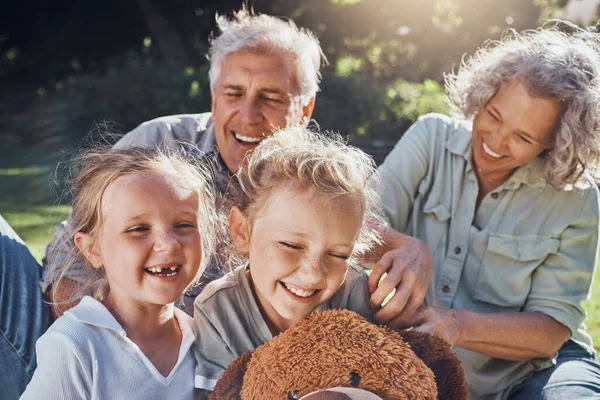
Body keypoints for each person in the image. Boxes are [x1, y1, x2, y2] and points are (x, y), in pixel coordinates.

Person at [1, 8, 431, 399]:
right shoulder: (159, 147)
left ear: (305, 108)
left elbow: (345, 242)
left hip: (202, 368)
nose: (248, 115)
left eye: (272, 98)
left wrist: (408, 247)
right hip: (95, 350)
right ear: (213, 96)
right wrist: (109, 348)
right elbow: (70, 253)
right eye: (233, 93)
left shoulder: (316, 184)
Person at [374, 25, 600, 399]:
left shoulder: (576, 198)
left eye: (523, 137)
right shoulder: (430, 137)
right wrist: (403, 244)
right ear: (484, 94)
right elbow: (355, 219)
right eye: (493, 116)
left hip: (535, 370)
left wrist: (457, 326)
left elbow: (551, 331)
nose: (495, 141)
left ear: (555, 144)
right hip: (420, 368)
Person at [193, 126, 387, 393]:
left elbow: (381, 377)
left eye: (338, 254)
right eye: (291, 245)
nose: (313, 274)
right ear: (242, 230)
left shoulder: (353, 293)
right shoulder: (218, 309)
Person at [20, 146, 217, 399]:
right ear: (92, 249)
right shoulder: (75, 344)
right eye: (138, 229)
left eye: (183, 225)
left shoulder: (207, 342)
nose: (168, 243)